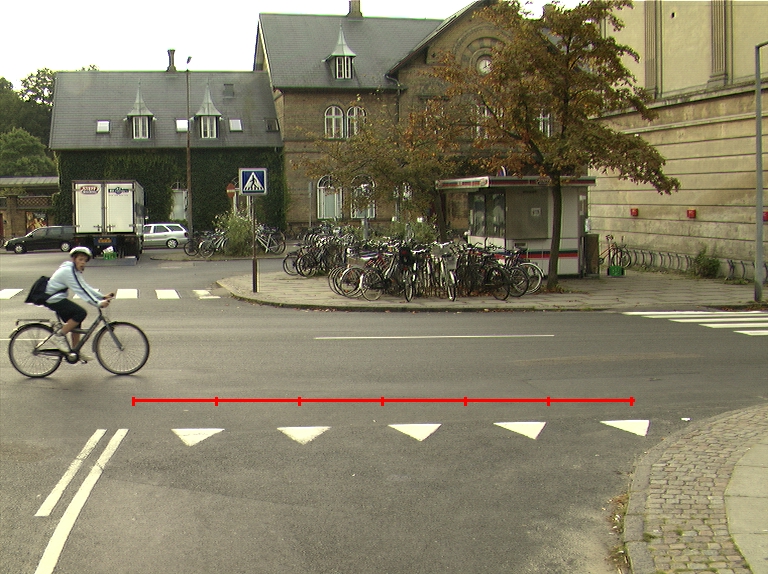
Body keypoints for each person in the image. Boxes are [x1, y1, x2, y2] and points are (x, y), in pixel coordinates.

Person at [44, 246, 114, 361]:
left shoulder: (74, 271)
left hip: (57, 298)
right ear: (74, 259)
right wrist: (98, 303)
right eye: (80, 259)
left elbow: (85, 287)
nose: (83, 262)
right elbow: (81, 291)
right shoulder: (68, 271)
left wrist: (101, 296)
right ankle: (58, 336)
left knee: (76, 320)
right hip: (52, 299)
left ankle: (75, 351)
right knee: (81, 313)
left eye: (85, 260)